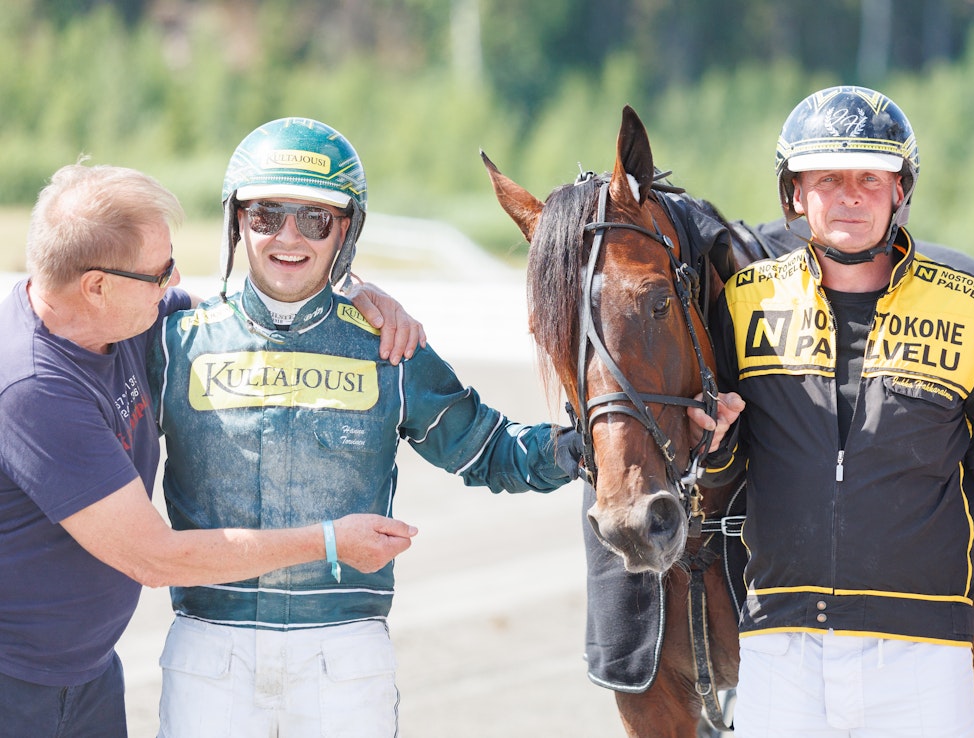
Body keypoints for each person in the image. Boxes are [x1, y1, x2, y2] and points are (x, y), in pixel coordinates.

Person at [147, 117, 727, 737]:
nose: (290, 236)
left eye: (315, 219)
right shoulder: (170, 343)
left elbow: (491, 452)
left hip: (343, 661)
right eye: (267, 215)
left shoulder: (391, 351)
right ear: (238, 220)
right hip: (209, 651)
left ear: (345, 229)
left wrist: (594, 444)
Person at [0, 161, 425, 738]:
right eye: (159, 273)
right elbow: (154, 557)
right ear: (96, 286)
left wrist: (355, 294)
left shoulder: (128, 319)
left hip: (88, 671)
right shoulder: (34, 390)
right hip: (17, 686)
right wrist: (330, 542)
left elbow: (240, 320)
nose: (173, 283)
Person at [704, 85, 974, 736]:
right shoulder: (739, 306)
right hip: (777, 650)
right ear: (792, 192)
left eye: (869, 178)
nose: (849, 194)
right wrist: (712, 448)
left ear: (900, 189)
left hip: (923, 659)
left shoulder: (969, 309)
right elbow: (715, 472)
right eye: (827, 177)